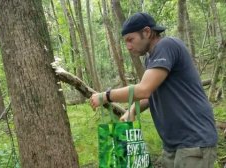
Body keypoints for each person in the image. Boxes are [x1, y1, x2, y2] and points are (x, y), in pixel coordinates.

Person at [89, 12, 217, 168]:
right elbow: (153, 94)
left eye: (131, 39)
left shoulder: (167, 45)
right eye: (125, 42)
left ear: (147, 32)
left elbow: (144, 90)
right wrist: (133, 110)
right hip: (173, 143)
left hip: (194, 139)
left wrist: (106, 96)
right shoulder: (151, 58)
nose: (128, 46)